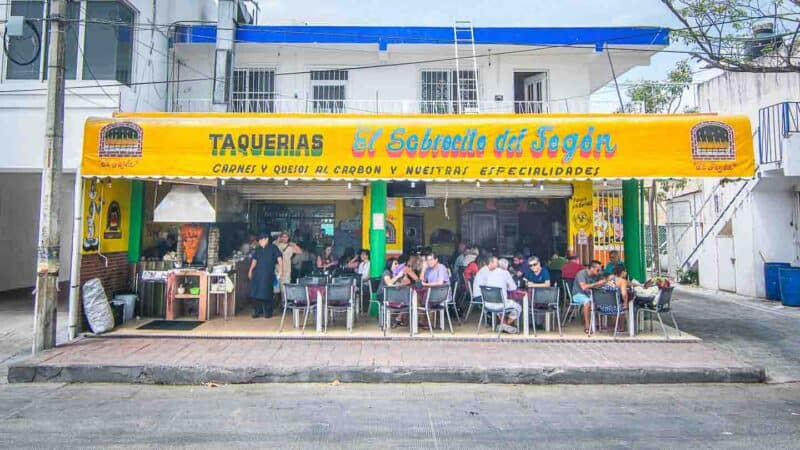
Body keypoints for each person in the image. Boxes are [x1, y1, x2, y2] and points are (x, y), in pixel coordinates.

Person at [473, 256, 520, 333]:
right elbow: (513, 288)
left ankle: (503, 325)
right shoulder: (505, 273)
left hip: (487, 303)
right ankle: (506, 324)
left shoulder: (489, 273)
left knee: (499, 304)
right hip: (491, 300)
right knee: (518, 307)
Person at [249, 232, 283, 319]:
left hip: (268, 274)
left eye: (261, 240)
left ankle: (268, 312)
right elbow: (254, 260)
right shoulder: (258, 249)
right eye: (259, 240)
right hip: (257, 273)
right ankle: (257, 311)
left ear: (266, 239)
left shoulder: (273, 248)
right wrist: (250, 270)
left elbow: (279, 259)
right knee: (255, 293)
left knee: (266, 292)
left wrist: (281, 270)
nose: (260, 241)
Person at [572, 260, 607, 334]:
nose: (600, 271)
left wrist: (603, 281)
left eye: (601, 269)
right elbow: (584, 287)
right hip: (578, 294)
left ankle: (598, 323)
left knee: (601, 299)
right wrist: (597, 283)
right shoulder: (581, 273)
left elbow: (602, 282)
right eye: (598, 270)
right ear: (591, 268)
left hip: (590, 294)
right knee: (588, 302)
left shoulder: (597, 274)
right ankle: (587, 325)